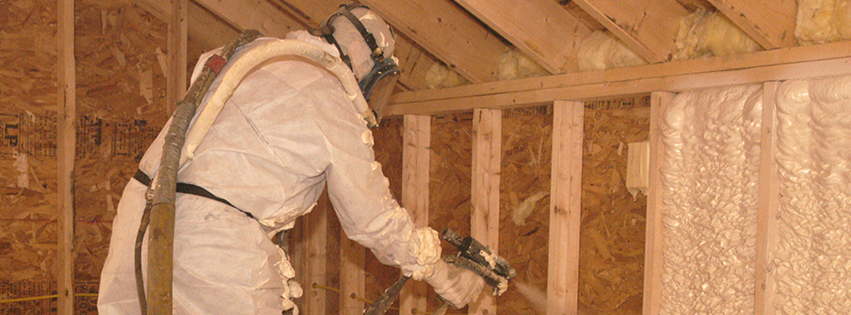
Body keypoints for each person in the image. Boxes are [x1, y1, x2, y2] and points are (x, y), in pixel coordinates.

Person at [98, 4, 485, 314]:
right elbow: (373, 219)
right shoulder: (330, 95)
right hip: (216, 244)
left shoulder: (245, 53)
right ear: (366, 62)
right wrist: (436, 270)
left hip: (144, 211)